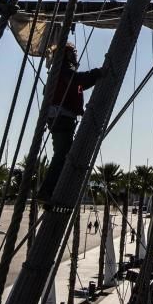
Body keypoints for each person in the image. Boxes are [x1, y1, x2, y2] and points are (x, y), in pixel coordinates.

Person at [38, 42, 102, 203]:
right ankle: (47, 190)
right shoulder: (63, 70)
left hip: (60, 118)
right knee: (62, 154)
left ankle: (54, 189)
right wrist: (97, 73)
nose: (75, 56)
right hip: (61, 118)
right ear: (66, 55)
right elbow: (78, 81)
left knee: (64, 154)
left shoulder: (61, 72)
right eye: (73, 53)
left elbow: (78, 85)